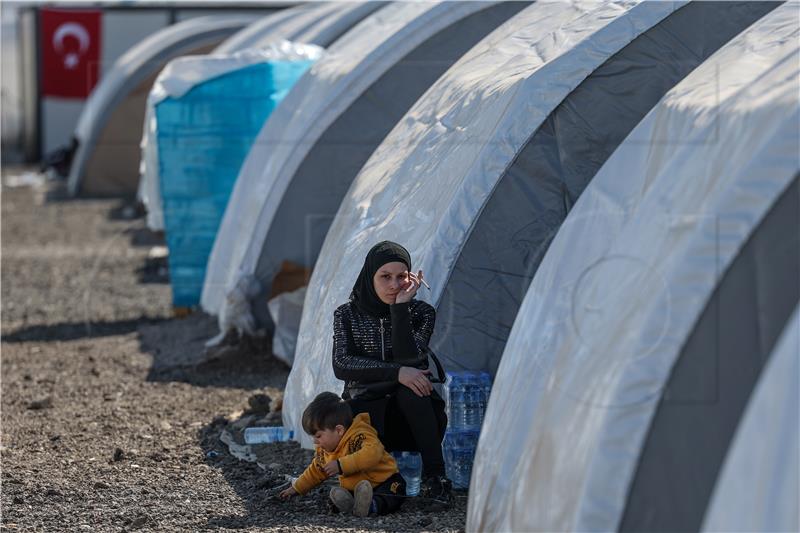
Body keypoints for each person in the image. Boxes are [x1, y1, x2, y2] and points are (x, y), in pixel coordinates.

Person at [331, 241, 452, 505]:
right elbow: (342, 364)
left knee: (415, 389)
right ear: (370, 276)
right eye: (385, 277)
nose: (394, 285)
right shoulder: (347, 315)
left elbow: (411, 357)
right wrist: (396, 373)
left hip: (408, 417)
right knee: (405, 384)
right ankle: (378, 493)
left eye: (401, 277)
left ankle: (436, 478)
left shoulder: (421, 313)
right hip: (364, 409)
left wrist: (400, 309)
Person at [279, 392, 406, 517]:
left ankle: (371, 506)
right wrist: (296, 489)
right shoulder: (325, 450)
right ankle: (351, 505)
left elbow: (372, 454)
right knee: (339, 494)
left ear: (339, 430)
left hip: (384, 481)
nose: (315, 441)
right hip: (356, 489)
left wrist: (341, 465)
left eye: (318, 436)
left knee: (392, 493)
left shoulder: (360, 435)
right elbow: (315, 471)